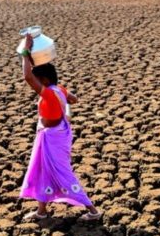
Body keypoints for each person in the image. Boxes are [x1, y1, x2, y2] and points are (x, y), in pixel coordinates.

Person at [18, 33, 101, 222]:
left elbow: (27, 77)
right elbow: (73, 99)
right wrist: (66, 109)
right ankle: (41, 211)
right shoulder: (59, 89)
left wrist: (24, 52)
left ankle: (93, 211)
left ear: (45, 81)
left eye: (39, 81)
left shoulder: (48, 94)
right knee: (42, 170)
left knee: (63, 173)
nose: (36, 84)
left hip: (53, 138)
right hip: (55, 135)